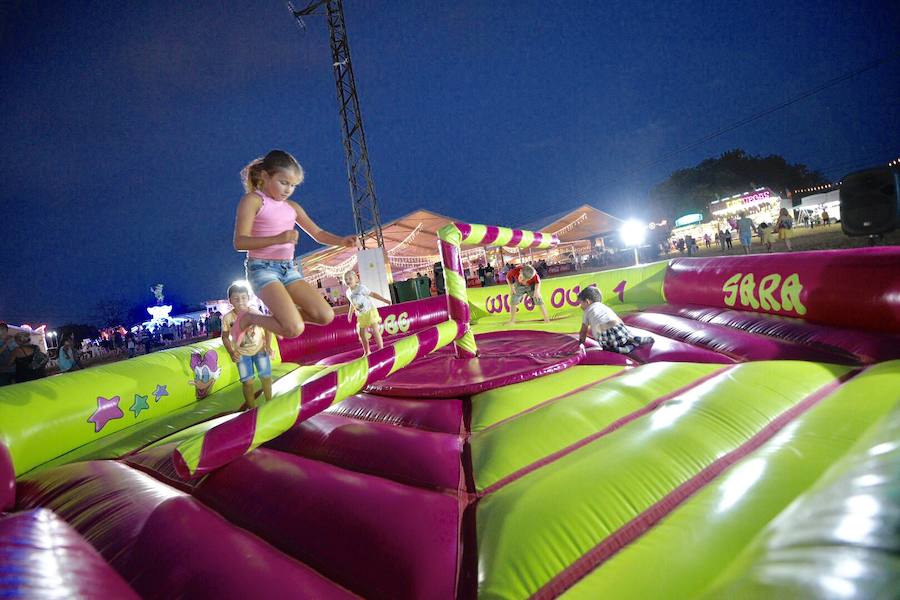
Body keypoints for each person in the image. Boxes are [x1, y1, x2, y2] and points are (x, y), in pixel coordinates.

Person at [229, 150, 356, 346]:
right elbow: (240, 242)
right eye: (283, 182)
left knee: (325, 315)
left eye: (293, 185)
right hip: (262, 270)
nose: (288, 189)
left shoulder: (293, 208)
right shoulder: (253, 200)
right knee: (293, 329)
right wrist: (278, 239)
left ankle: (283, 317)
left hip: (288, 270)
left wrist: (342, 241)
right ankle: (249, 318)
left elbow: (318, 233)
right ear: (265, 176)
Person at [221, 283, 274, 410]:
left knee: (266, 377)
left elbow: (268, 327)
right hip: (242, 354)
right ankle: (252, 408)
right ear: (230, 301)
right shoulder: (228, 318)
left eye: (244, 298)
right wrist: (231, 352)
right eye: (236, 299)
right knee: (247, 382)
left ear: (248, 298)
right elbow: (224, 336)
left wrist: (268, 345)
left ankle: (270, 402)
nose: (240, 302)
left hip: (260, 349)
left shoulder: (254, 312)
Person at [577, 286, 652, 354]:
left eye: (581, 303)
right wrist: (627, 333)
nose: (580, 307)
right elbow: (619, 321)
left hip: (607, 339)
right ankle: (634, 339)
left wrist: (581, 344)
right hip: (621, 333)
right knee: (623, 335)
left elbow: (583, 331)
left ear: (587, 301)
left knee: (607, 348)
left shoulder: (587, 311)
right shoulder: (604, 307)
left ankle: (624, 349)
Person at [343, 271, 392, 355]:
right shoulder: (348, 292)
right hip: (361, 315)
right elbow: (352, 303)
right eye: (346, 279)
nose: (348, 280)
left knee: (375, 330)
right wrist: (350, 314)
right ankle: (367, 351)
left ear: (356, 279)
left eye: (350, 278)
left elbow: (372, 294)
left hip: (370, 311)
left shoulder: (361, 288)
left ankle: (381, 349)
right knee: (362, 334)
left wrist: (384, 300)